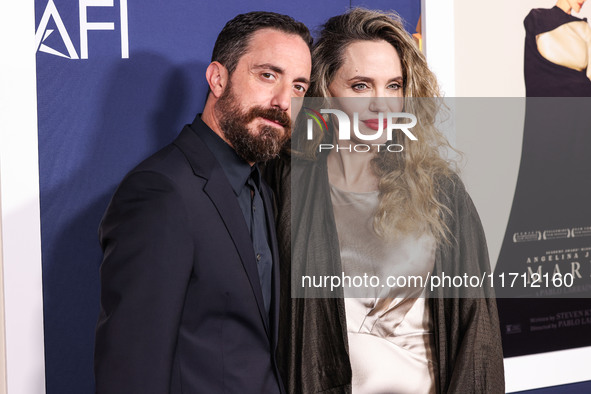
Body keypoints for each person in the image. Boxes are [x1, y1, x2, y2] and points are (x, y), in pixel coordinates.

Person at [265, 8, 504, 393]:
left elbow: (477, 332)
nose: (382, 103)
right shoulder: (285, 183)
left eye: (394, 86)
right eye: (361, 85)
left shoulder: (440, 189)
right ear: (325, 90)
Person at [94, 11, 311, 393]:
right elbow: (131, 372)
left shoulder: (264, 188)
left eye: (298, 87)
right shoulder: (160, 192)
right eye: (267, 75)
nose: (283, 101)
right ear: (218, 78)